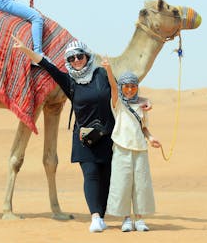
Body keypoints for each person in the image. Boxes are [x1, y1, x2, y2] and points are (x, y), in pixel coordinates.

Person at [12, 37, 151, 233]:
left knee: (107, 177)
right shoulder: (69, 82)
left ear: (86, 56)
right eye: (71, 58)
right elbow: (46, 65)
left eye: (79, 56)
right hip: (85, 138)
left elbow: (122, 94)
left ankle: (101, 216)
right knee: (91, 175)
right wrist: (25, 49)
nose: (76, 60)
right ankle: (95, 217)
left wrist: (145, 100)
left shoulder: (102, 74)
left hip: (109, 137)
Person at [102, 62, 161, 233]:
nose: (129, 90)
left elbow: (143, 127)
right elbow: (113, 88)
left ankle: (140, 219)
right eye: (126, 87)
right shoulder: (118, 104)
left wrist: (151, 139)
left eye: (133, 87)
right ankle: (126, 218)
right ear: (122, 87)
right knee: (123, 183)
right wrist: (109, 70)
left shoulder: (142, 106)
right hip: (121, 148)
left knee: (141, 184)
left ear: (137, 87)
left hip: (140, 149)